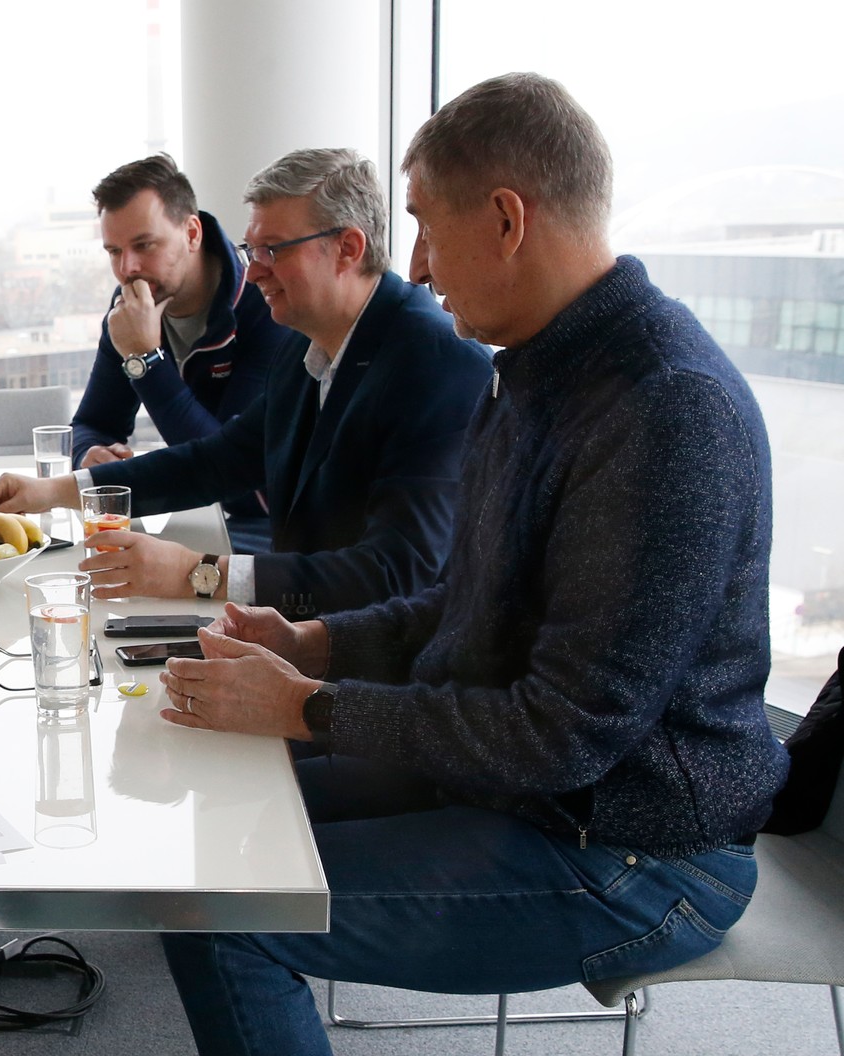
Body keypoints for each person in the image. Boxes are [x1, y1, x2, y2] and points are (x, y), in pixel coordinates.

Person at [152, 74, 789, 1056]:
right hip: (519, 784)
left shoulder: (664, 410)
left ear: (505, 220)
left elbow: (561, 736)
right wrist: (312, 643)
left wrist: (309, 706)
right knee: (220, 813)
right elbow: (467, 602)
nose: (414, 262)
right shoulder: (535, 370)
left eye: (423, 225)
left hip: (635, 853)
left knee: (224, 908)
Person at [0, 149, 490, 618]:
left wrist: (195, 573)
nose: (257, 270)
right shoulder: (305, 343)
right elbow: (217, 461)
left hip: (383, 663)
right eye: (253, 249)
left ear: (347, 249)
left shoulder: (435, 360)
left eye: (273, 250)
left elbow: (397, 575)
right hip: (308, 633)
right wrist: (55, 491)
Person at [69, 154, 294, 552]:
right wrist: (91, 456)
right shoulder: (130, 306)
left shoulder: (265, 304)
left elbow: (232, 475)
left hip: (273, 528)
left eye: (144, 245)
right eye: (114, 251)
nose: (127, 268)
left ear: (192, 234)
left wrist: (146, 360)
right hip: (196, 523)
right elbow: (91, 422)